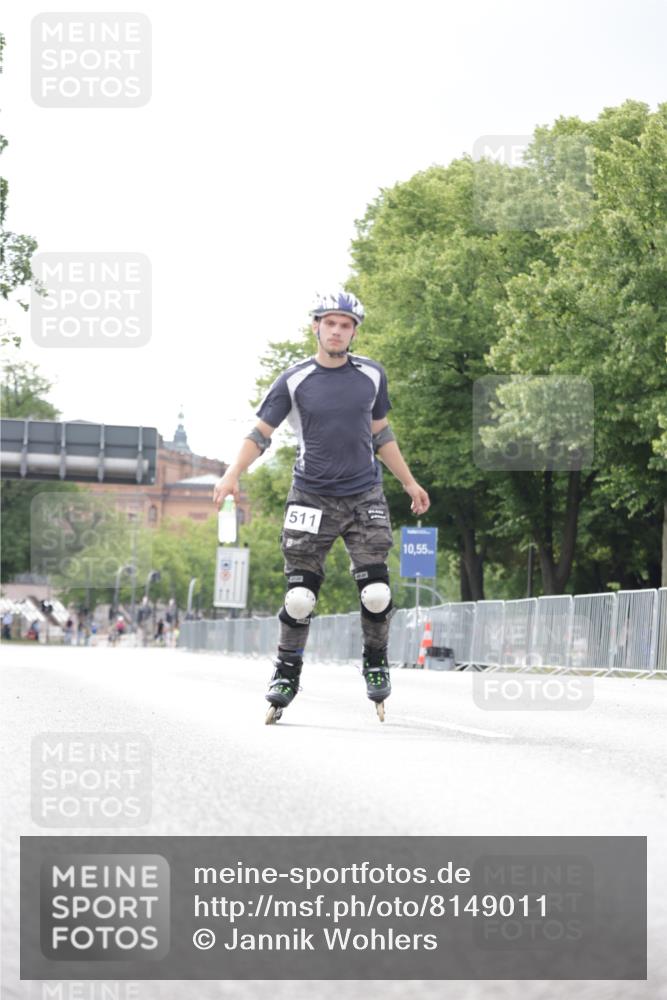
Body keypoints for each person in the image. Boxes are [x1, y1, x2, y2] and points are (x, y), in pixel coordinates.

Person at [213, 289, 430, 723]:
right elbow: (260, 433)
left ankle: (375, 660)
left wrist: (408, 482)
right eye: (329, 323)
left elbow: (381, 433)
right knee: (299, 598)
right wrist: (232, 473)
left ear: (354, 332)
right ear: (316, 327)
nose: (336, 331)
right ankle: (286, 673)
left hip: (364, 494)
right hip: (310, 496)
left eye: (345, 325)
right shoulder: (294, 380)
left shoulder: (372, 375)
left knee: (377, 592)